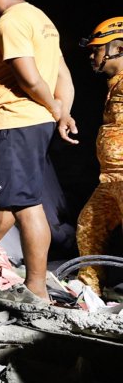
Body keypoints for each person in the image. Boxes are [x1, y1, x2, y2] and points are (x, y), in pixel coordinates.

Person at [0, 0, 77, 301]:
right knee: (13, 200)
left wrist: (54, 109)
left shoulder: (11, 22)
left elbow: (28, 76)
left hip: (15, 121)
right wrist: (62, 112)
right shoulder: (41, 19)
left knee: (26, 206)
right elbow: (63, 75)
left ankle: (35, 289)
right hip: (34, 123)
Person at [75, 17, 122, 295]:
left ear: (118, 49)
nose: (93, 56)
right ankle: (89, 289)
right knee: (89, 224)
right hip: (110, 179)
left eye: (97, 49)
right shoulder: (114, 85)